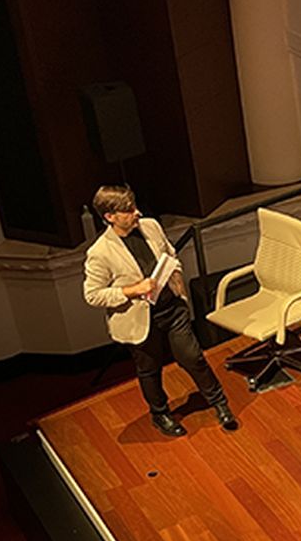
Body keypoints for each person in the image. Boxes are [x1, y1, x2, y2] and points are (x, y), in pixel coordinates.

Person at [83, 185, 236, 437]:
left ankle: (219, 403)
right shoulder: (100, 252)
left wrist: (174, 273)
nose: (137, 213)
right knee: (149, 369)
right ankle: (160, 414)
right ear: (110, 216)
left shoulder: (150, 225)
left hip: (171, 307)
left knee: (192, 357)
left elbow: (169, 251)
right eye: (129, 210)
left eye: (134, 207)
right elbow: (92, 294)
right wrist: (133, 289)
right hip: (140, 319)